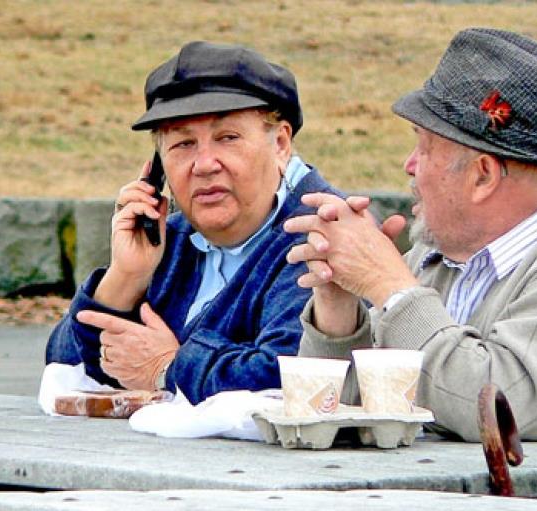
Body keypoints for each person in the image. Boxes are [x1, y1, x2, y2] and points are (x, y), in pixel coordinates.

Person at [285, 27, 537, 496]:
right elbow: (363, 419)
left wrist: (391, 288)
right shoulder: (441, 256)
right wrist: (340, 307)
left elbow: (493, 413)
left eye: (423, 146)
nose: (408, 165)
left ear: (482, 175)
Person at [44, 41, 340, 404]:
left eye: (227, 138)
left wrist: (170, 367)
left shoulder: (322, 235)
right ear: (158, 167)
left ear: (280, 144)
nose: (204, 164)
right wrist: (125, 278)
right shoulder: (172, 236)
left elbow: (290, 374)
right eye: (183, 144)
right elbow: (65, 367)